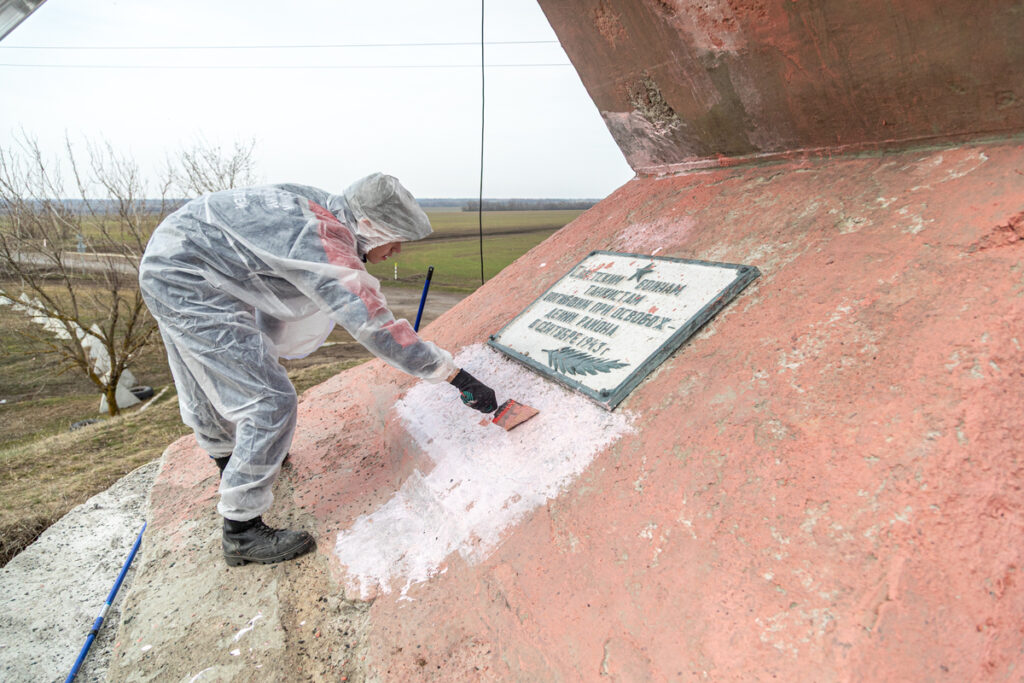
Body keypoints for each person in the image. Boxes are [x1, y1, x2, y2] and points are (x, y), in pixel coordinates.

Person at [139, 173, 497, 567]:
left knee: (209, 373)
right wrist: (452, 374)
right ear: (371, 228)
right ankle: (241, 531)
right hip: (188, 277)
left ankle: (232, 461)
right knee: (270, 401)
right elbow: (371, 323)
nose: (396, 251)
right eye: (395, 239)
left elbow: (271, 288)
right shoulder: (323, 240)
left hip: (178, 258)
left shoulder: (323, 206)